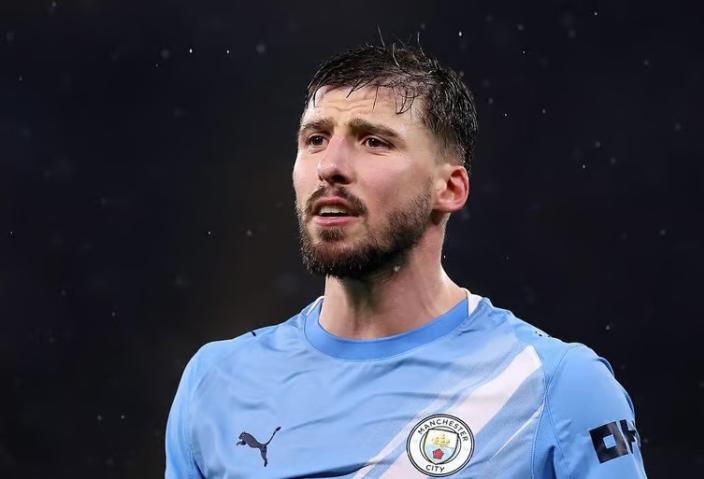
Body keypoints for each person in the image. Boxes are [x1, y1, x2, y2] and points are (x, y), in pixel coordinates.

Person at [165, 43, 648, 478]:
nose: (330, 166)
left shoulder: (554, 386)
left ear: (449, 188)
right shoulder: (217, 382)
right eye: (315, 139)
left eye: (374, 141)